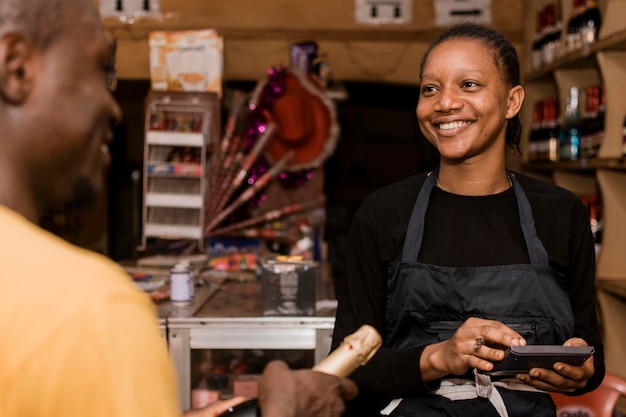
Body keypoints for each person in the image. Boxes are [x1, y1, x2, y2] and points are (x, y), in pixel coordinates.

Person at [0, 0, 356, 416]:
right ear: (16, 68)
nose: (114, 107)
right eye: (101, 69)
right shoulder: (88, 312)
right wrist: (282, 410)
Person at [331, 22, 605, 417]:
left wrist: (582, 370)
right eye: (430, 88)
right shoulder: (383, 213)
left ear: (512, 102)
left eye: (469, 85)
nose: (445, 103)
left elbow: (590, 352)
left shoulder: (562, 214)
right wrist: (438, 358)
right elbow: (347, 369)